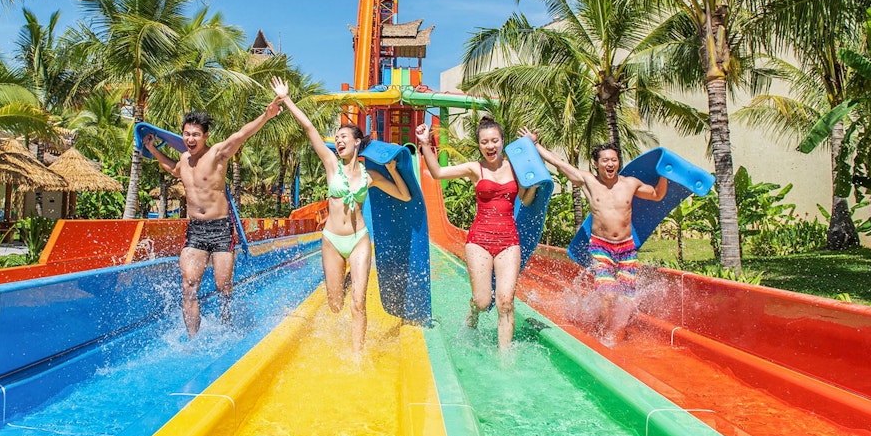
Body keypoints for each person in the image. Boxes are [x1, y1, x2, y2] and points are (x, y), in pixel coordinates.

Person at [270, 77, 410, 352]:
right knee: (335, 304)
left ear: (357, 142)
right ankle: (345, 284)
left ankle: (358, 355)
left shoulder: (370, 176)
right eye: (337, 137)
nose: (338, 140)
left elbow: (404, 195)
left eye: (344, 137)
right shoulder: (331, 165)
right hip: (332, 240)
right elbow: (309, 128)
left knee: (359, 301)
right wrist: (286, 99)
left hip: (358, 239)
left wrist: (392, 170)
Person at [142, 102, 281, 337]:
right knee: (189, 285)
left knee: (223, 287)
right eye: (186, 134)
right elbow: (173, 170)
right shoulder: (184, 160)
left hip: (221, 229)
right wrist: (153, 149)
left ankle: (227, 328)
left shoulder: (217, 154)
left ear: (205, 136)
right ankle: (193, 340)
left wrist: (266, 116)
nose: (190, 138)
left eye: (196, 134)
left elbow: (240, 135)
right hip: (196, 230)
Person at [522, 132, 667, 345]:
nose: (610, 164)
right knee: (608, 295)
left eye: (613, 160)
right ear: (596, 164)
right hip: (601, 247)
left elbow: (656, 195)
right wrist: (535, 145)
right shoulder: (588, 181)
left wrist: (664, 174)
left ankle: (612, 326)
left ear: (619, 162)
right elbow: (558, 162)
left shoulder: (630, 183)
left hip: (627, 248)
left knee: (627, 298)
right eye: (605, 160)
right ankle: (605, 335)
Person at [416, 117, 536, 351]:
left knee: (505, 302)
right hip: (479, 241)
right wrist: (424, 143)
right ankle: (473, 312)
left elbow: (526, 199)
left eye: (494, 141)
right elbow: (438, 172)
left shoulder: (516, 167)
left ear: (502, 142)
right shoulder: (475, 169)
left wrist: (531, 169)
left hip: (509, 241)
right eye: (484, 142)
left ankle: (505, 360)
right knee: (483, 301)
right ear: (479, 145)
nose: (490, 146)